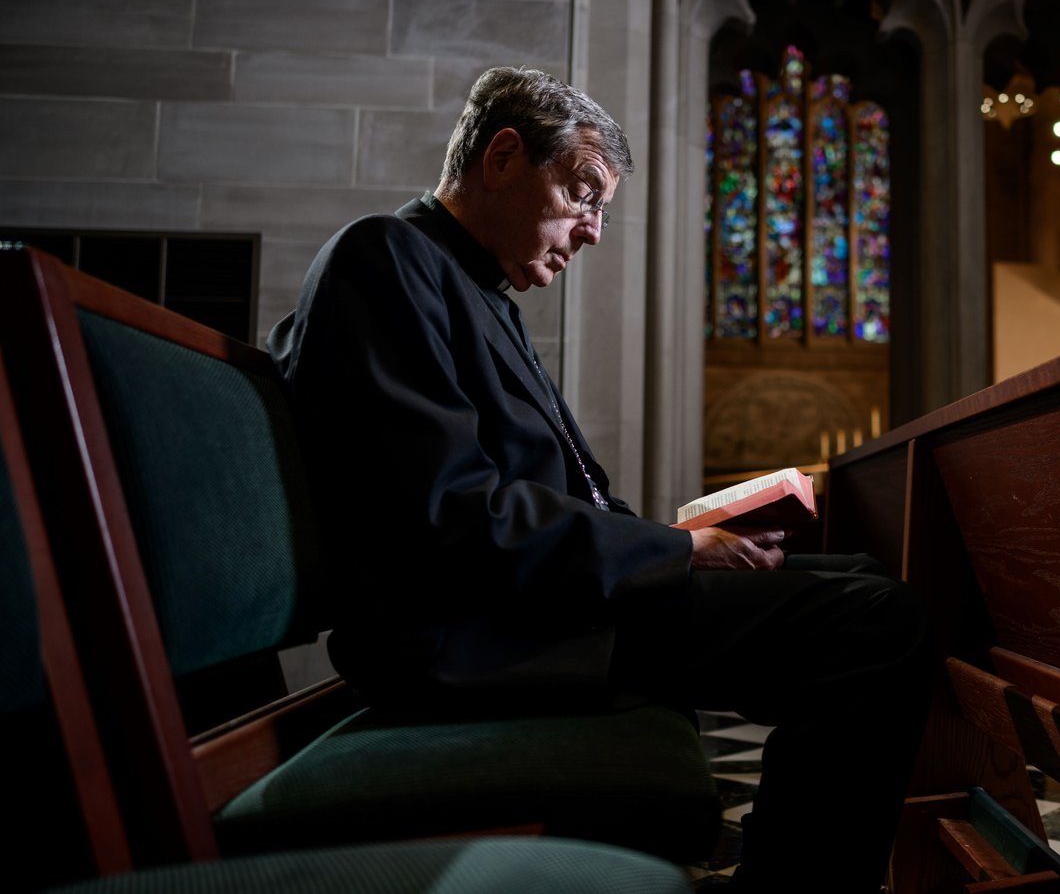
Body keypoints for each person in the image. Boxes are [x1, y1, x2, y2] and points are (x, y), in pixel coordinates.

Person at [267, 67, 932, 893]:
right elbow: (448, 515)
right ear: (503, 157)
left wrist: (684, 539)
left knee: (863, 582)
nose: (594, 230)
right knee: (876, 622)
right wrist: (673, 550)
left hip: (538, 601)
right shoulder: (387, 256)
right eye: (583, 194)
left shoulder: (475, 289)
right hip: (480, 632)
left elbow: (543, 494)